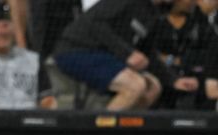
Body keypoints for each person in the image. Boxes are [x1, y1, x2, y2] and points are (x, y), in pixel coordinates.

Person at [53, 0, 184, 111]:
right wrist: (127, 53)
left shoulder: (153, 14)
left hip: (108, 57)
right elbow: (94, 22)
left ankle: (124, 134)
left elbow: (147, 52)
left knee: (153, 88)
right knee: (134, 86)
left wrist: (173, 79)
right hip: (77, 50)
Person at [150, 0, 218, 109]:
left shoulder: (199, 21)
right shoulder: (155, 19)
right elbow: (151, 54)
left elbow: (208, 55)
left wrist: (177, 60)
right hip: (161, 76)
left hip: (195, 79)